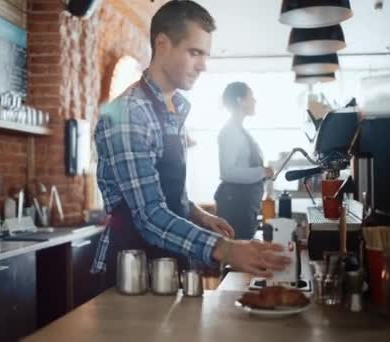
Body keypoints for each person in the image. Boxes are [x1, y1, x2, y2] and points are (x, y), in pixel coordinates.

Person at [91, 1, 290, 283]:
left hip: (167, 265)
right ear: (162, 44)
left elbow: (161, 187)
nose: (203, 66)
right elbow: (148, 215)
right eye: (194, 52)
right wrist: (227, 249)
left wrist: (195, 213)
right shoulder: (129, 114)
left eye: (205, 55)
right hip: (131, 273)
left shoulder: (174, 109)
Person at [214, 82, 274, 240]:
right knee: (238, 254)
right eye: (251, 97)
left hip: (244, 202)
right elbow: (227, 173)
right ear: (240, 101)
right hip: (236, 203)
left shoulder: (239, 130)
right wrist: (263, 172)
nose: (255, 101)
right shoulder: (230, 132)